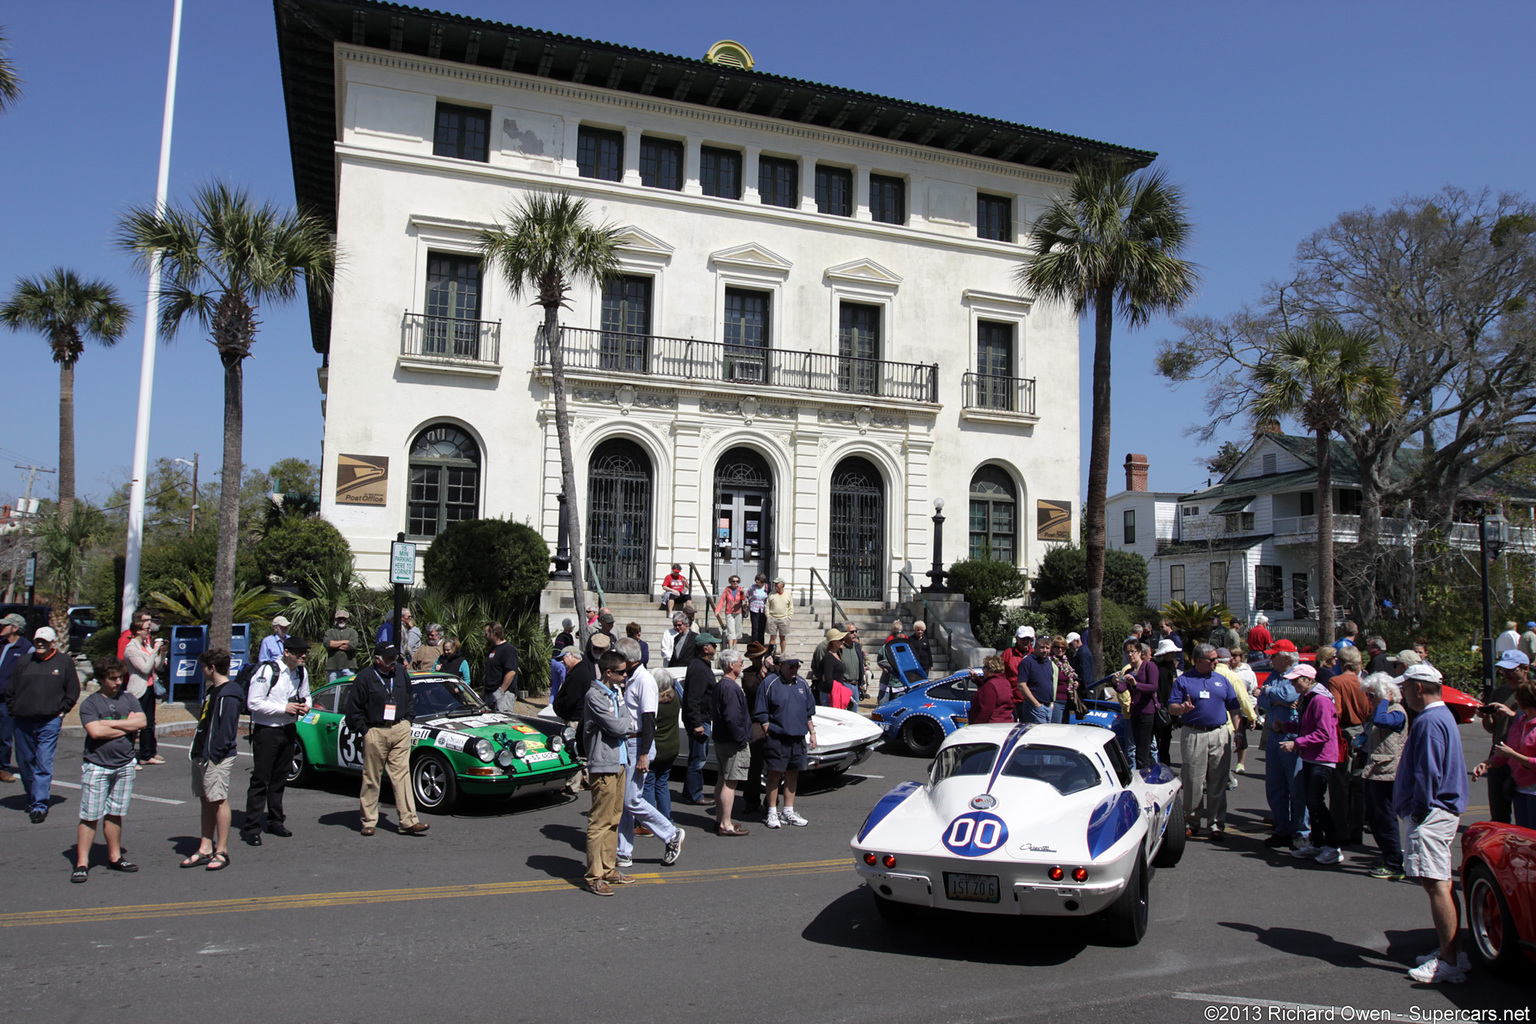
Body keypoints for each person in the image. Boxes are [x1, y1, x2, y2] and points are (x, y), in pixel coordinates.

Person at [1394, 663, 1470, 984]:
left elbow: (1428, 772)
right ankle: (1450, 951)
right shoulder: (1442, 717)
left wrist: (1417, 810)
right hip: (1439, 810)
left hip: (1431, 813)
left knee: (1436, 884)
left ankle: (1449, 960)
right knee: (1440, 883)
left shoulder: (1429, 720)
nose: (1403, 693)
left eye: (1406, 686)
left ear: (1419, 688)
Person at [71, 656, 145, 882]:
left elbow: (141, 722)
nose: (118, 682)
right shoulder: (91, 703)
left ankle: (115, 856)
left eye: (120, 678)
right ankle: (82, 863)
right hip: (97, 765)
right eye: (112, 679)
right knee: (90, 815)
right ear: (101, 679)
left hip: (124, 764)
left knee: (115, 813)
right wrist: (126, 726)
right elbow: (95, 732)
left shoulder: (129, 698)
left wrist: (110, 724)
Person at [613, 638, 685, 869]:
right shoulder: (632, 679)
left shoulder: (643, 680)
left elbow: (648, 718)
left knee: (632, 800)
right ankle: (624, 852)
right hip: (629, 743)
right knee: (626, 803)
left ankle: (670, 832)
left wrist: (644, 753)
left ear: (627, 659)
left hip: (639, 744)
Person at [345, 644, 428, 837]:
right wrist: (365, 731)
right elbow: (353, 710)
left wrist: (407, 720)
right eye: (389, 659)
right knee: (372, 777)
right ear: (377, 660)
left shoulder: (400, 672)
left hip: (399, 729)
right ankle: (368, 820)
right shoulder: (365, 678)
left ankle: (408, 821)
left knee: (402, 776)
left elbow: (408, 697)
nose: (393, 663)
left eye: (394, 658)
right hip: (375, 731)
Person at [240, 635, 311, 846]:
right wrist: (283, 708)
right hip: (267, 731)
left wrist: (304, 706)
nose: (303, 656)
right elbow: (253, 702)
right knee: (261, 779)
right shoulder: (268, 670)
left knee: (280, 778)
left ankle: (275, 820)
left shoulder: (300, 671)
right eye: (299, 653)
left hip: (288, 729)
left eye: (305, 652)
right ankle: (252, 826)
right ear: (287, 652)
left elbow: (306, 695)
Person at [7, 626, 80, 822]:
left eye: (45, 642)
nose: (40, 644)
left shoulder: (64, 662)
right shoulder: (24, 661)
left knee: (43, 762)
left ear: (53, 643)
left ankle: (39, 805)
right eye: (38, 641)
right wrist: (13, 709)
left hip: (49, 720)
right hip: (23, 720)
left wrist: (63, 710)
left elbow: (72, 690)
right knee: (25, 763)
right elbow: (11, 689)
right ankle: (32, 796)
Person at [1168, 643, 1240, 840]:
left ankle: (1216, 823)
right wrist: (1181, 708)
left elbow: (1234, 707)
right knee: (1193, 780)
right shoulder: (1184, 681)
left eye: (1217, 658)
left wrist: (1238, 732)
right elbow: (1171, 706)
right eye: (1212, 659)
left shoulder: (1221, 680)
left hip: (1219, 732)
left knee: (1218, 780)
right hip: (1194, 734)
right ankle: (1192, 821)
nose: (1217, 662)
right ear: (1199, 661)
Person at [1280, 663, 1345, 865]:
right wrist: (1286, 727)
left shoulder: (1320, 700)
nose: (1294, 684)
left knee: (1316, 801)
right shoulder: (1308, 698)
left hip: (1323, 758)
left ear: (1309, 680)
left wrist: (1297, 743)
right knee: (1311, 801)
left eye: (1297, 680)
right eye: (1292, 680)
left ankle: (1333, 846)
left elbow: (1324, 733)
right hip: (1311, 756)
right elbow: (1306, 726)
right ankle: (1317, 843)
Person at [183, 648, 241, 872]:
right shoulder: (212, 691)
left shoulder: (229, 693)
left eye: (204, 667)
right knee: (205, 799)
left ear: (212, 668)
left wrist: (215, 754)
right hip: (201, 754)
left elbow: (226, 731)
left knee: (218, 800)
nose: (202, 671)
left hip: (216, 757)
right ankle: (205, 846)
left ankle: (222, 850)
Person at [582, 651, 633, 894]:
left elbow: (626, 719)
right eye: (622, 672)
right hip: (603, 763)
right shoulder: (595, 695)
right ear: (608, 672)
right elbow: (615, 725)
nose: (626, 675)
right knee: (599, 821)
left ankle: (608, 867)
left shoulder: (617, 692)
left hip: (620, 761)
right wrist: (624, 725)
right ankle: (594, 876)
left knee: (615, 818)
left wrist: (623, 724)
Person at [755, 656, 816, 827]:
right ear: (780, 666)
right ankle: (772, 812)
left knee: (793, 774)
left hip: (797, 738)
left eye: (796, 666)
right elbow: (761, 711)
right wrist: (768, 728)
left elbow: (808, 712)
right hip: (777, 738)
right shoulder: (770, 683)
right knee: (774, 774)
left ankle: (788, 811)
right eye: (790, 666)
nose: (794, 669)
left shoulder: (803, 684)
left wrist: (812, 733)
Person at [1257, 643, 1308, 849]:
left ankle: (1301, 832)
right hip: (1274, 735)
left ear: (1286, 658)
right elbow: (1262, 700)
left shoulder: (1297, 675)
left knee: (1296, 786)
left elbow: (1289, 696)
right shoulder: (1274, 676)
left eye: (1274, 656)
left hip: (1292, 736)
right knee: (1275, 785)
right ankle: (1282, 828)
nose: (1271, 660)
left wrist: (1270, 692)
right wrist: (1273, 695)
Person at [1360, 671, 1408, 879]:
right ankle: (1388, 855)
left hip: (1389, 773)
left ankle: (1394, 862)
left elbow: (1381, 721)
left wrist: (1385, 700)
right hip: (1375, 770)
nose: (1369, 700)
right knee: (1376, 817)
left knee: (1386, 818)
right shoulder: (1382, 709)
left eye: (1372, 695)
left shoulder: (1396, 712)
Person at [1473, 681, 1536, 828]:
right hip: (1521, 787)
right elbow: (1506, 751)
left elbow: (1511, 753)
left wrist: (1513, 755)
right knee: (1523, 833)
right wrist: (1488, 763)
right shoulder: (1520, 721)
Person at [1478, 648, 1527, 824]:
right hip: (1499, 751)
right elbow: (1491, 729)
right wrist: (1486, 717)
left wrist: (1513, 714)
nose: (1506, 675)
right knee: (1498, 810)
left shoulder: (1531, 691)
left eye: (1511, 670)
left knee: (1525, 811)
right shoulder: (1499, 692)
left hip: (1522, 754)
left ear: (1525, 669)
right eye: (1503, 671)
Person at [1330, 645, 1372, 843]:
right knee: (1358, 786)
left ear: (1340, 663)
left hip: (1345, 734)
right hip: (1363, 732)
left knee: (1340, 786)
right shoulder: (1364, 682)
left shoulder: (1336, 682)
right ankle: (1356, 831)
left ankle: (1339, 831)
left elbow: (1336, 711)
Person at [711, 648, 753, 835]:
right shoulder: (729, 687)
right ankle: (726, 823)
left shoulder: (722, 685)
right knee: (730, 782)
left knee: (723, 778)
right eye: (740, 662)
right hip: (732, 743)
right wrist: (741, 739)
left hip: (723, 740)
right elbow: (732, 717)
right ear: (731, 665)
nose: (741, 665)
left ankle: (721, 819)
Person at [680, 631, 720, 804]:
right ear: (705, 648)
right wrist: (697, 723)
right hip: (700, 720)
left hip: (703, 718)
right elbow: (693, 699)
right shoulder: (698, 668)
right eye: (713, 644)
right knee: (698, 759)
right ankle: (694, 794)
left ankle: (691, 791)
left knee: (698, 757)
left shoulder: (702, 666)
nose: (715, 647)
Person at [122, 616, 168, 767]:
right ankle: (128, 758)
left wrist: (161, 653)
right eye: (146, 629)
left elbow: (157, 667)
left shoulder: (146, 646)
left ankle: (147, 754)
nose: (148, 632)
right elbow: (144, 668)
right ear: (137, 631)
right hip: (138, 689)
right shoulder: (131, 648)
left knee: (149, 723)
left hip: (149, 688)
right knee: (134, 725)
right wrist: (154, 651)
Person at [642, 668, 680, 824]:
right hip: (672, 746)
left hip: (656, 748)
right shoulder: (675, 697)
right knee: (662, 783)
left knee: (649, 784)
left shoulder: (652, 702)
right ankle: (666, 818)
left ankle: (651, 822)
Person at [0, 612, 35, 783]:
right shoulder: (1, 644)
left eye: (5, 625)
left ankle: (3, 767)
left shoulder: (26, 649)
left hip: (8, 700)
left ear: (15, 628)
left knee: (5, 736)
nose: (1, 627)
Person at [739, 645, 771, 814]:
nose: (761, 660)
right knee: (755, 763)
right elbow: (755, 689)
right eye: (758, 658)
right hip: (756, 721)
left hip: (773, 720)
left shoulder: (775, 672)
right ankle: (751, 799)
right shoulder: (749, 674)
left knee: (774, 763)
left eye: (763, 657)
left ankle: (771, 800)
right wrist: (764, 671)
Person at [1151, 638, 1181, 765]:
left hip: (1170, 706)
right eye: (1171, 653)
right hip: (1161, 707)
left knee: (1166, 739)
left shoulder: (1170, 666)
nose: (1173, 655)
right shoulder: (1156, 667)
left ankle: (1165, 764)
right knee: (1159, 740)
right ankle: (1160, 764)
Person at [1016, 632, 1055, 724]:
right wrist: (1036, 704)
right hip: (1034, 708)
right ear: (1035, 647)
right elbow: (1021, 685)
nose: (1045, 650)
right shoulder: (1027, 662)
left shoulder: (1048, 662)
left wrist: (1051, 703)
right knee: (1036, 737)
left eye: (1047, 648)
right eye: (1042, 647)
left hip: (1048, 707)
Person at [482, 621, 519, 712]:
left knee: (501, 721)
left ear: (494, 633)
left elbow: (511, 672)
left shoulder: (508, 649)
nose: (485, 636)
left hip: (503, 694)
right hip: (490, 692)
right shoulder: (492, 649)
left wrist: (501, 691)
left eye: (486, 633)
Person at [969, 656, 1013, 725]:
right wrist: (977, 681)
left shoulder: (990, 685)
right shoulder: (1005, 682)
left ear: (990, 670)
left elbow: (986, 710)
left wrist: (975, 726)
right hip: (1006, 724)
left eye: (984, 667)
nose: (983, 670)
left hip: (992, 726)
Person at [812, 627, 849, 707]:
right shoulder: (829, 657)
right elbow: (828, 679)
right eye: (841, 640)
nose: (843, 642)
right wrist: (839, 690)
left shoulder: (838, 654)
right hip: (829, 695)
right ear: (834, 642)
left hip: (836, 693)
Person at [322, 608, 360, 682]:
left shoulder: (352, 632)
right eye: (339, 619)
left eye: (344, 619)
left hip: (349, 666)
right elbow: (328, 644)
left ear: (347, 619)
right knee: (332, 690)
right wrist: (345, 641)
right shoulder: (330, 632)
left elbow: (353, 646)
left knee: (349, 689)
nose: (341, 620)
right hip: (333, 667)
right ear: (336, 619)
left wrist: (335, 645)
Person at [1048, 635, 1079, 723]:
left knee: (1064, 729)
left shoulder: (1066, 662)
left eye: (1063, 647)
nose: (1060, 650)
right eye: (1057, 647)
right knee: (1056, 729)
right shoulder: (1050, 662)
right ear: (1052, 648)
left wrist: (1074, 683)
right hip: (1056, 701)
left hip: (1067, 701)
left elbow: (1070, 678)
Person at [876, 621, 909, 702]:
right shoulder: (886, 647)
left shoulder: (906, 648)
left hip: (900, 684)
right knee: (882, 706)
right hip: (886, 682)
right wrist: (883, 667)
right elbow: (879, 660)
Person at [715, 575, 747, 649]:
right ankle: (730, 647)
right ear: (730, 582)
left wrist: (742, 593)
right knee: (730, 630)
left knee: (737, 630)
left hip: (738, 612)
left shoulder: (740, 589)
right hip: (729, 612)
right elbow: (722, 600)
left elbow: (744, 598)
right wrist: (717, 610)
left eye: (737, 581)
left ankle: (734, 646)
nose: (735, 583)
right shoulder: (727, 590)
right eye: (733, 581)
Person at [765, 577, 792, 654]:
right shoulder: (771, 594)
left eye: (777, 583)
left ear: (782, 585)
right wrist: (768, 616)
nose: (775, 585)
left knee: (782, 638)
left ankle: (783, 653)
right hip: (773, 618)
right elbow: (767, 605)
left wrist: (789, 617)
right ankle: (771, 653)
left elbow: (791, 607)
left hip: (784, 619)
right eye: (775, 583)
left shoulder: (787, 595)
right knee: (772, 637)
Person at [746, 574, 770, 645]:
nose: (757, 581)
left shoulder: (767, 588)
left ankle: (761, 644)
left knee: (762, 628)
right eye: (756, 579)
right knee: (755, 628)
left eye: (758, 580)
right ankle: (754, 643)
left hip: (763, 609)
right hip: (754, 609)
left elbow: (770, 597)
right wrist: (747, 602)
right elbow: (747, 595)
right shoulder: (753, 587)